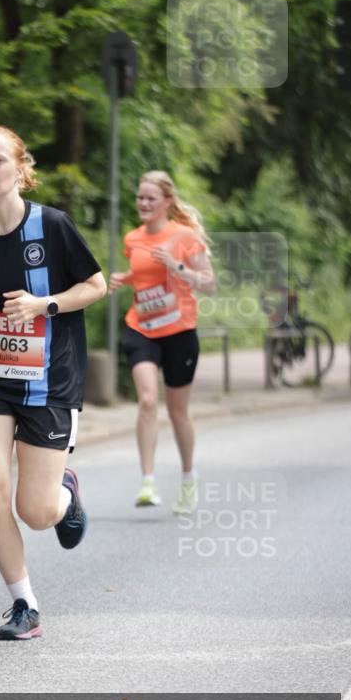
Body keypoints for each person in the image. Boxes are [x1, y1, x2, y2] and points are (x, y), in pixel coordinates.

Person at [0, 126, 106, 641]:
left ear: (18, 169)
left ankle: (65, 494)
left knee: (34, 512)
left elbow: (95, 286)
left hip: (49, 383)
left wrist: (44, 304)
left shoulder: (52, 227)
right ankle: (23, 604)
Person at [109, 170, 215, 514]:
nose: (143, 203)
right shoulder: (133, 238)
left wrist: (177, 267)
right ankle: (148, 481)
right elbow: (144, 278)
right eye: (140, 197)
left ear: (167, 202)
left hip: (179, 331)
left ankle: (187, 479)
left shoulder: (185, 237)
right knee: (147, 401)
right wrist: (125, 279)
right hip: (141, 327)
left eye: (150, 198)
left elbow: (209, 284)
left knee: (178, 412)